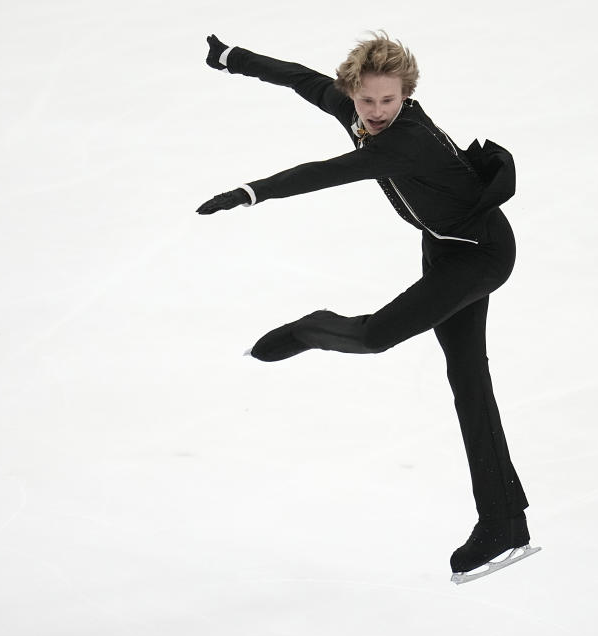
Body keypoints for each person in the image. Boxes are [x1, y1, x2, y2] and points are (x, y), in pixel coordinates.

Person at [198, 32, 535, 580]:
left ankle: (310, 329)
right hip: (444, 248)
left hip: (481, 256)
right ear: (353, 92)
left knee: (375, 335)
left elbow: (322, 174)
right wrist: (236, 59)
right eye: (366, 100)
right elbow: (305, 80)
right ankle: (504, 522)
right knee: (469, 382)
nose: (377, 112)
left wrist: (251, 191)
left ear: (407, 96)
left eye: (389, 101)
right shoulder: (357, 111)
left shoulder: (407, 141)